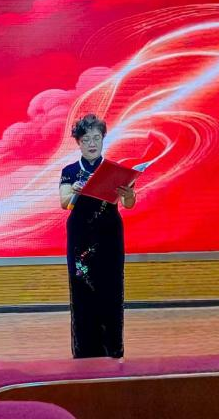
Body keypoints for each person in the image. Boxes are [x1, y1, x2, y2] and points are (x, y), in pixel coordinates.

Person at [59, 114, 136, 359]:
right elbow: (64, 203)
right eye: (86, 139)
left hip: (109, 235)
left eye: (96, 138)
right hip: (81, 237)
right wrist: (75, 191)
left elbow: (129, 204)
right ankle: (84, 352)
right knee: (82, 291)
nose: (92, 143)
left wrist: (128, 194)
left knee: (111, 289)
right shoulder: (71, 171)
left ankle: (113, 349)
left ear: (103, 139)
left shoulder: (114, 170)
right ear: (78, 143)